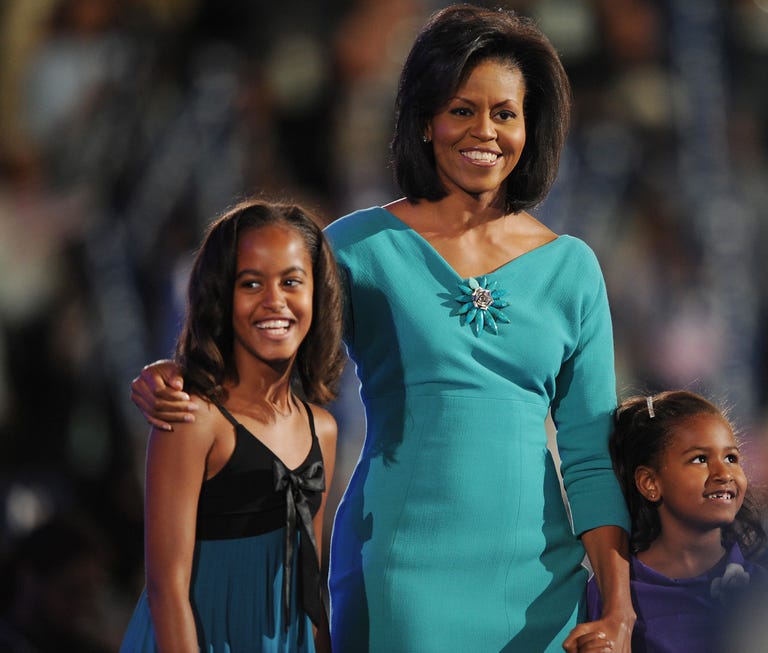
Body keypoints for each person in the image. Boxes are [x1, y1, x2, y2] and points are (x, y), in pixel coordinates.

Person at [130, 5, 635, 651]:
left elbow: (591, 454)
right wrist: (175, 372)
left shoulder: (573, 267)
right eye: (462, 109)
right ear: (426, 121)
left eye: (505, 113)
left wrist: (617, 605)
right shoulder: (359, 247)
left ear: (531, 127)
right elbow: (257, 333)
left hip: (544, 583)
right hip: (403, 565)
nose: (485, 131)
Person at [120, 199, 344, 652]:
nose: (274, 300)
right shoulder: (190, 417)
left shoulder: (323, 430)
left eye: (291, 282)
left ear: (317, 295)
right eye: (251, 283)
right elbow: (167, 588)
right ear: (221, 295)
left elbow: (310, 578)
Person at [578, 391, 768, 653]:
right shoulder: (611, 593)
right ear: (650, 483)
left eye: (731, 458)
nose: (724, 473)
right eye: (700, 459)